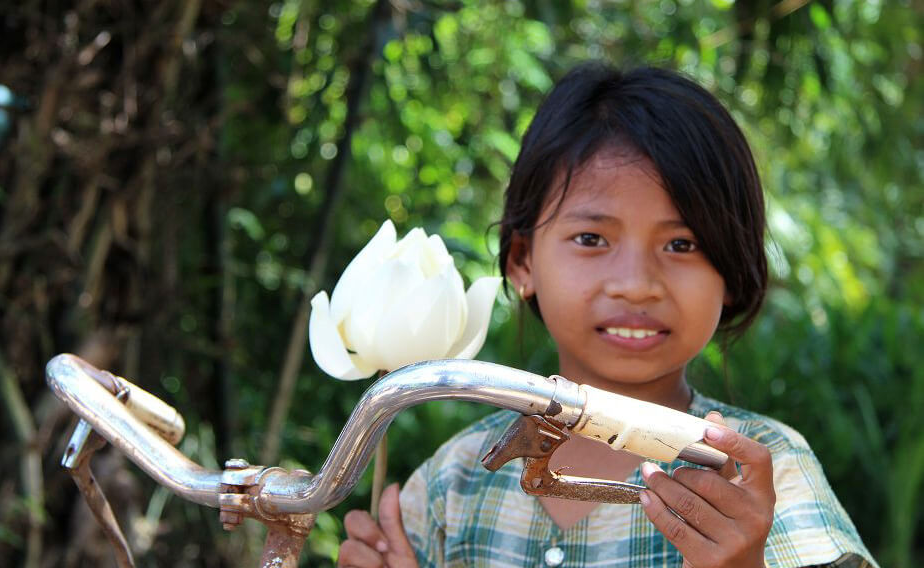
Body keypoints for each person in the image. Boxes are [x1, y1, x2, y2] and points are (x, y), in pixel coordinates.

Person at [336, 62, 877, 568]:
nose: (636, 285)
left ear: (730, 273)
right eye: (592, 238)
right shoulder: (452, 483)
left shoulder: (765, 476)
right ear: (523, 261)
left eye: (683, 244)